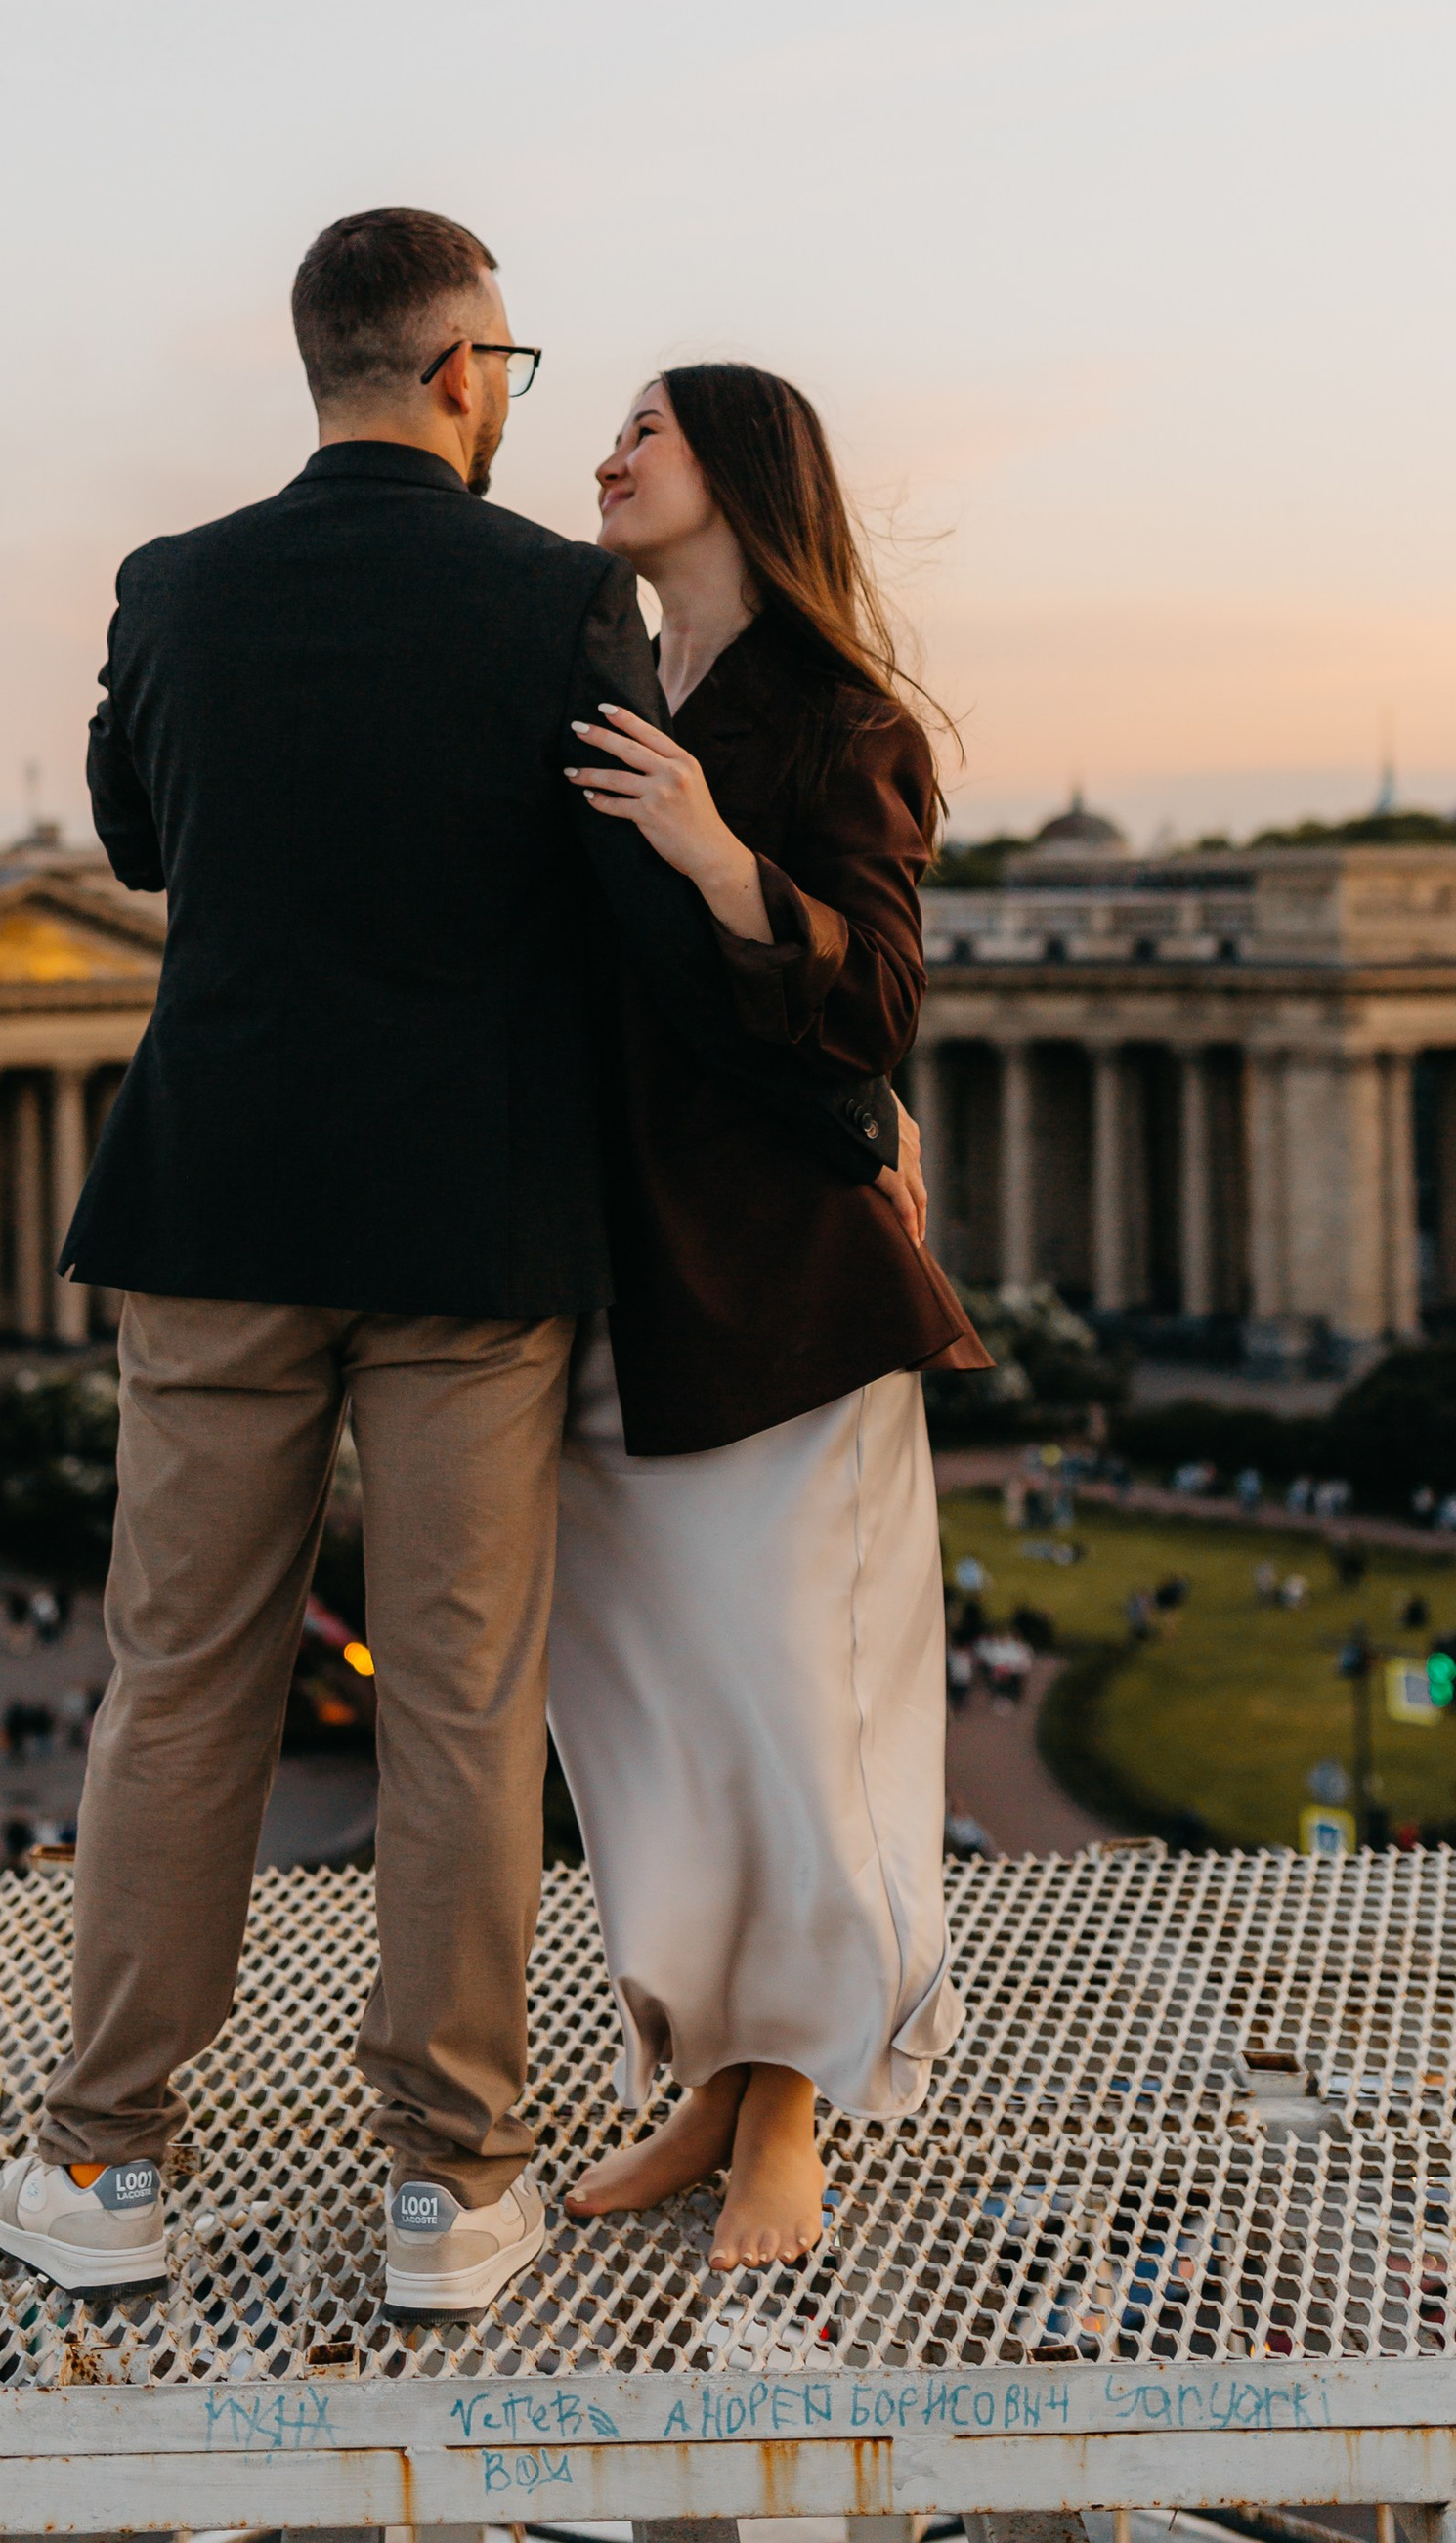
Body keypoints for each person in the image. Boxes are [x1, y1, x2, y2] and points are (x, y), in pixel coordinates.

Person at [0, 211, 905, 2317]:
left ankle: (109, 2156)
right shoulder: (554, 602)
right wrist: (853, 1118)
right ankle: (448, 2185)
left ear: (317, 364)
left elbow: (142, 837)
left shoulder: (173, 586)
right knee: (463, 1710)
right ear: (464, 367)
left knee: (177, 1685)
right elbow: (642, 925)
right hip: (471, 1231)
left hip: (214, 1210)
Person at [548, 364, 986, 2270]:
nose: (606, 451)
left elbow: (875, 997)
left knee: (798, 1705)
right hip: (608, 1267)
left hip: (776, 1280)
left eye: (643, 426)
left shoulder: (836, 721)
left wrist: (721, 860)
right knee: (653, 1720)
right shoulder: (600, 702)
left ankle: (796, 2091)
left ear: (736, 472)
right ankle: (712, 2077)